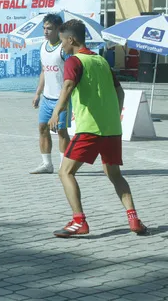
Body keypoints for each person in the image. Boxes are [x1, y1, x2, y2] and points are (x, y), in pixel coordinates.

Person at [49, 19, 148, 238]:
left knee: (65, 172)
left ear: (71, 39)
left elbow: (67, 86)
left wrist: (57, 112)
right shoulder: (102, 61)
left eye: (62, 42)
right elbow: (120, 93)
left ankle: (79, 222)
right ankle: (133, 219)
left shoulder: (74, 61)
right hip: (112, 128)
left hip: (89, 129)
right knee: (114, 174)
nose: (61, 46)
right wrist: (114, 114)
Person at [31, 14, 71, 174]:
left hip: (62, 99)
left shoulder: (64, 49)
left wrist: (67, 96)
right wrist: (37, 93)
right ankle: (47, 164)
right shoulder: (42, 46)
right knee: (42, 128)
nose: (46, 31)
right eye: (44, 28)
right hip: (47, 98)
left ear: (58, 30)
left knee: (61, 131)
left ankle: (65, 166)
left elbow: (71, 75)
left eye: (50, 28)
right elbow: (44, 72)